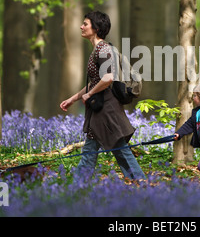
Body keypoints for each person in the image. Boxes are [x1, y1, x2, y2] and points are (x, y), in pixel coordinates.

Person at [60, 11, 146, 180]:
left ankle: (143, 184)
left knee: (118, 148)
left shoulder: (104, 50)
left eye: (85, 24)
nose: (81, 27)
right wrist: (73, 99)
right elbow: (95, 82)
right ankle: (79, 185)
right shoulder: (97, 50)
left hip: (107, 109)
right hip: (99, 109)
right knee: (101, 148)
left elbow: (108, 78)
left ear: (96, 28)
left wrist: (90, 94)